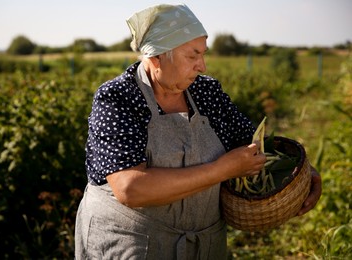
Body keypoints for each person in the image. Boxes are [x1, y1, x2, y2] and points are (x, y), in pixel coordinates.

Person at [75, 3, 322, 259]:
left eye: (203, 55)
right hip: (131, 243)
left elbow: (252, 144)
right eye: (192, 56)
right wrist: (223, 169)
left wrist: (304, 174)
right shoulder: (119, 97)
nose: (202, 66)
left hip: (202, 246)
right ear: (156, 56)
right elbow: (131, 189)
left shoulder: (205, 92)